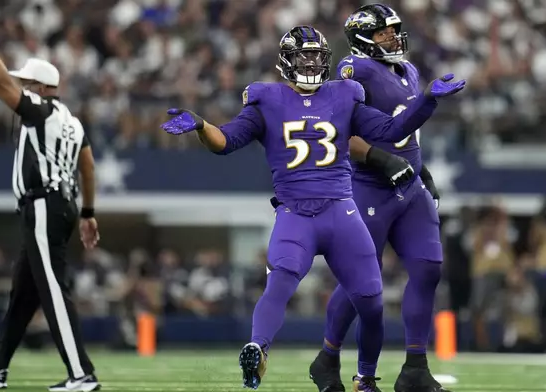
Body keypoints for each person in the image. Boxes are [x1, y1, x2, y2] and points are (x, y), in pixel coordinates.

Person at [160, 25, 465, 391]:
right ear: (285, 62)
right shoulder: (267, 100)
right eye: (302, 56)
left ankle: (364, 378)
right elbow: (225, 141)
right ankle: (258, 349)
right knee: (281, 282)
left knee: (371, 302)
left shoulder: (344, 94)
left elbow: (392, 128)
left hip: (340, 210)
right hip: (297, 213)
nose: (310, 63)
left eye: (316, 56)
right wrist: (201, 124)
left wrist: (428, 98)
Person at [309, 4, 451, 392]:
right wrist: (377, 156)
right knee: (362, 281)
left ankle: (415, 369)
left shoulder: (409, 71)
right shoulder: (352, 72)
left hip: (408, 187)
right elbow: (340, 132)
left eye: (393, 30)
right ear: (362, 38)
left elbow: (406, 132)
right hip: (368, 186)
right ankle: (327, 357)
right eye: (383, 32)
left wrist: (421, 169)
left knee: (428, 268)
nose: (391, 37)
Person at [0, 2, 101, 391]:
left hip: (44, 203)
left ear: (40, 88)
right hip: (62, 204)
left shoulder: (41, 109)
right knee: (25, 292)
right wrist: (88, 213)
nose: (21, 88)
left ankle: (81, 373)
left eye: (27, 83)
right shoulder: (71, 120)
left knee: (53, 288)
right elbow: (87, 166)